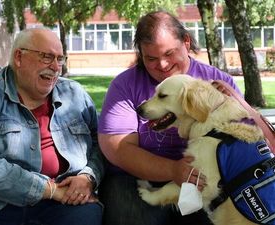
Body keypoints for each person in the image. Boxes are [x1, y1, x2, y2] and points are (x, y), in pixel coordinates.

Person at [0, 27, 104, 225]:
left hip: (65, 200)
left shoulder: (75, 94)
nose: (55, 67)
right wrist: (49, 190)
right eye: (47, 57)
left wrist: (88, 177)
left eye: (59, 59)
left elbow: (102, 142)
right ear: (19, 57)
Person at [98, 10, 242, 225]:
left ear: (186, 42)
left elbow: (237, 138)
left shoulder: (216, 82)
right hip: (134, 179)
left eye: (169, 54)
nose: (162, 65)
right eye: (151, 58)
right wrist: (174, 170)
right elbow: (118, 149)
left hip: (207, 179)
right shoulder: (125, 86)